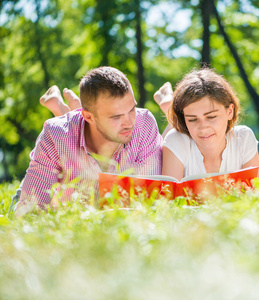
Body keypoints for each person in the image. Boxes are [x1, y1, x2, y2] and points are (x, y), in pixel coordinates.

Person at [14, 66, 163, 215]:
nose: (129, 122)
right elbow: (30, 208)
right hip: (61, 200)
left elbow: (148, 201)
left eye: (132, 109)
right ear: (89, 117)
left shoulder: (144, 124)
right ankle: (61, 110)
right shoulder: (55, 134)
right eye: (116, 117)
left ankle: (61, 108)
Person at [162, 68, 259, 182]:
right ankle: (168, 106)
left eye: (211, 117)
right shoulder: (176, 140)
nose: (203, 127)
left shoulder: (243, 138)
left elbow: (258, 194)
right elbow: (168, 197)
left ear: (229, 112)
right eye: (192, 119)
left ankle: (168, 105)